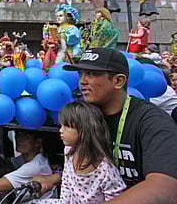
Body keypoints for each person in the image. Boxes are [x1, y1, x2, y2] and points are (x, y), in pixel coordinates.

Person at [33, 47, 177, 203]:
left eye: (91, 73)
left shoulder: (152, 122)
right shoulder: (85, 117)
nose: (82, 80)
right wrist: (56, 177)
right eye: (81, 73)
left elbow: (164, 188)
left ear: (118, 81)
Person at [32, 100, 126, 203]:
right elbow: (66, 186)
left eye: (66, 127)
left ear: (83, 130)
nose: (60, 130)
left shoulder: (105, 170)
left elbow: (117, 200)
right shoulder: (69, 151)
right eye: (61, 126)